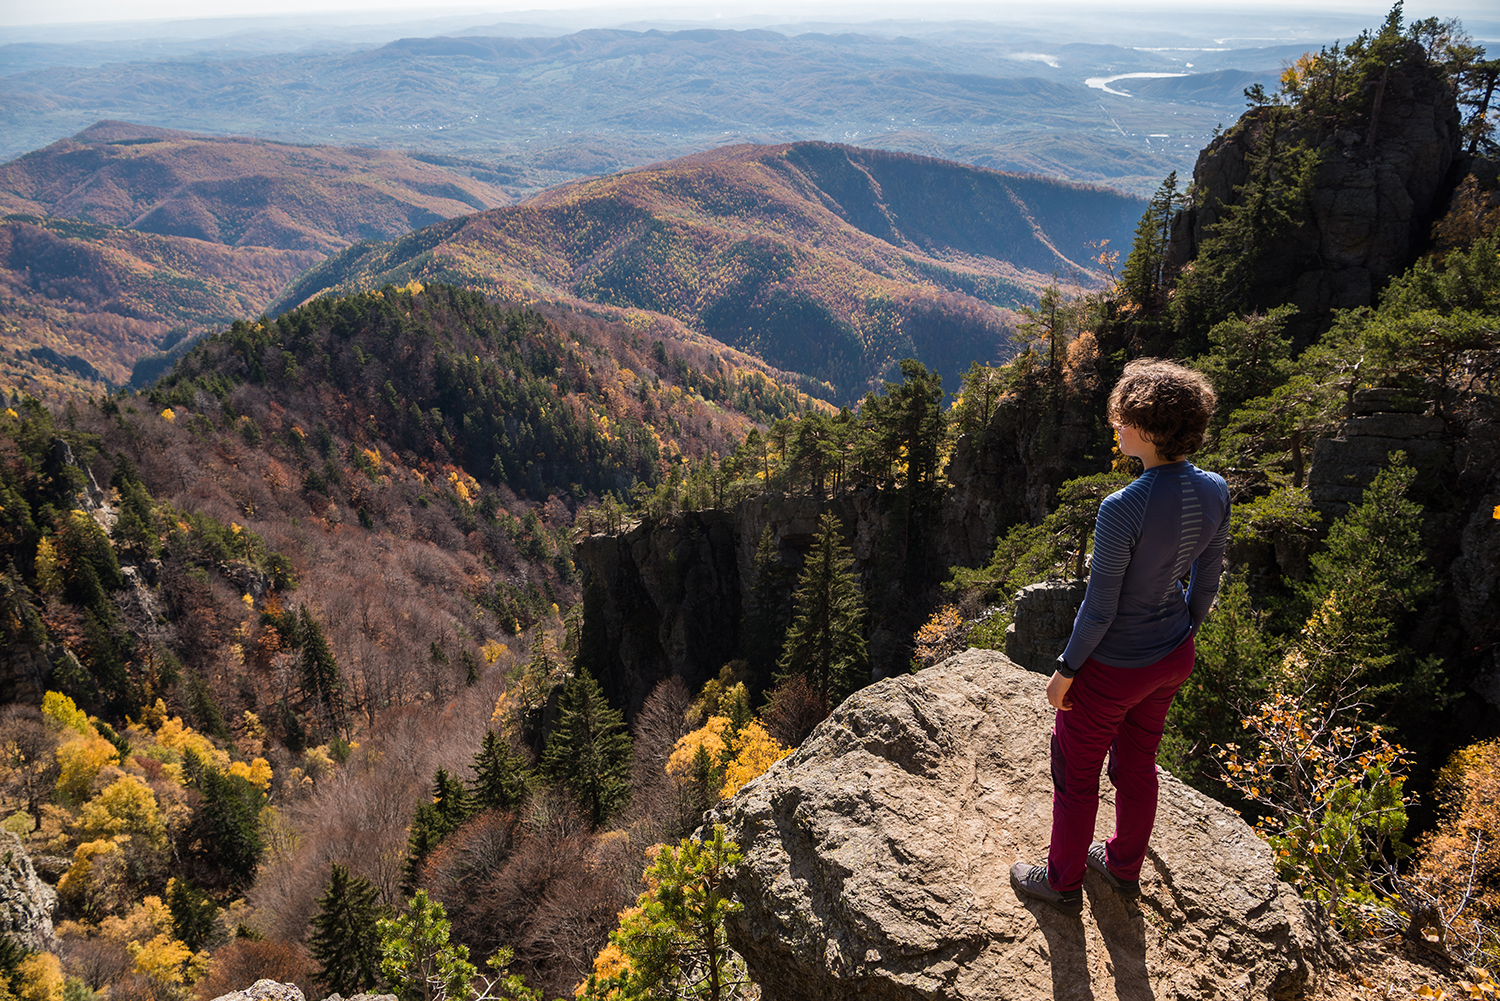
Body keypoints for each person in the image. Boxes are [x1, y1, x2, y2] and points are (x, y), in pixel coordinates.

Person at [1010, 358, 1230, 915]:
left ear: (1152, 430)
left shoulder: (1123, 507)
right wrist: (1181, 634)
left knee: (1076, 775)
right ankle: (1123, 867)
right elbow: (1206, 580)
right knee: (1137, 763)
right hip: (1172, 655)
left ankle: (1062, 882)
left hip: (1114, 667)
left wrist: (1066, 670)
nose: (1117, 425)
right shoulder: (1215, 490)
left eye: (1125, 418)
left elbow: (1101, 606)